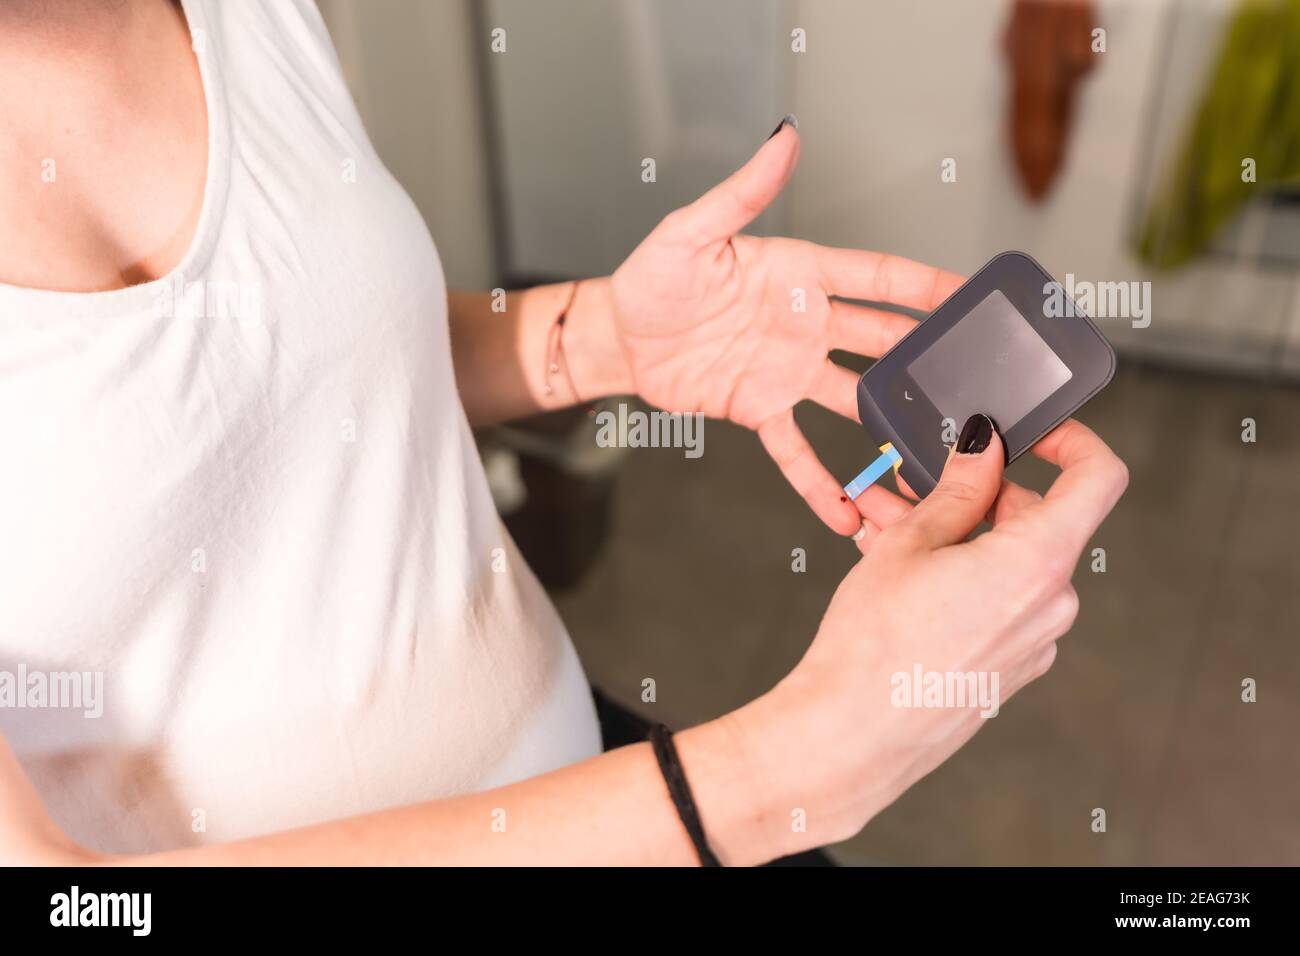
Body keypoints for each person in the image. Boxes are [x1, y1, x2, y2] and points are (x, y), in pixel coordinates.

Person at [0, 0, 1126, 865]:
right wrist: (773, 770)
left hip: (590, 771)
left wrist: (602, 340)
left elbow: (274, 373)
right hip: (678, 810)